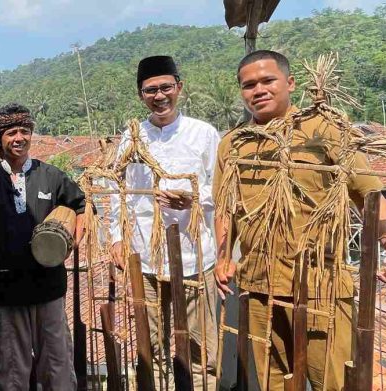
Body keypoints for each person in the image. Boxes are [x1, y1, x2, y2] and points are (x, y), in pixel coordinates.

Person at [212, 50, 386, 391]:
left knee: (334, 381)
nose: (258, 90)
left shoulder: (324, 130)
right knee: (271, 381)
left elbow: (369, 196)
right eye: (249, 85)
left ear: (290, 83)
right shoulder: (233, 144)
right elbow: (226, 207)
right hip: (259, 285)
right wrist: (222, 258)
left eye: (267, 81)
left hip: (321, 286)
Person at [109, 55, 220, 390]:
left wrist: (194, 198)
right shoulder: (132, 138)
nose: (159, 96)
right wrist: (116, 237)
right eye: (150, 90)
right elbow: (119, 190)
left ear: (179, 88)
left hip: (196, 257)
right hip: (146, 258)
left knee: (202, 350)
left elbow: (223, 187)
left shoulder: (203, 134)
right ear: (140, 95)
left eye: (165, 87)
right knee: (152, 347)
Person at [0, 103, 86, 391]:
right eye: (11, 132)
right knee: (12, 367)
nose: (19, 138)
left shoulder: (52, 176)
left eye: (24, 131)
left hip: (48, 287)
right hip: (6, 288)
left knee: (56, 363)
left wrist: (73, 241)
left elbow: (82, 206)